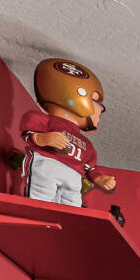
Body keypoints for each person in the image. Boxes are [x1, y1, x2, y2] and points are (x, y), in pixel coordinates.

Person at [19, 58, 115, 207]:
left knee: (72, 204)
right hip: (47, 165)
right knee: (41, 199)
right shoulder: (45, 121)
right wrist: (44, 139)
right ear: (79, 95)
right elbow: (29, 135)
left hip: (74, 176)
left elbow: (91, 168)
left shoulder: (87, 145)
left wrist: (99, 179)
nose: (100, 112)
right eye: (98, 103)